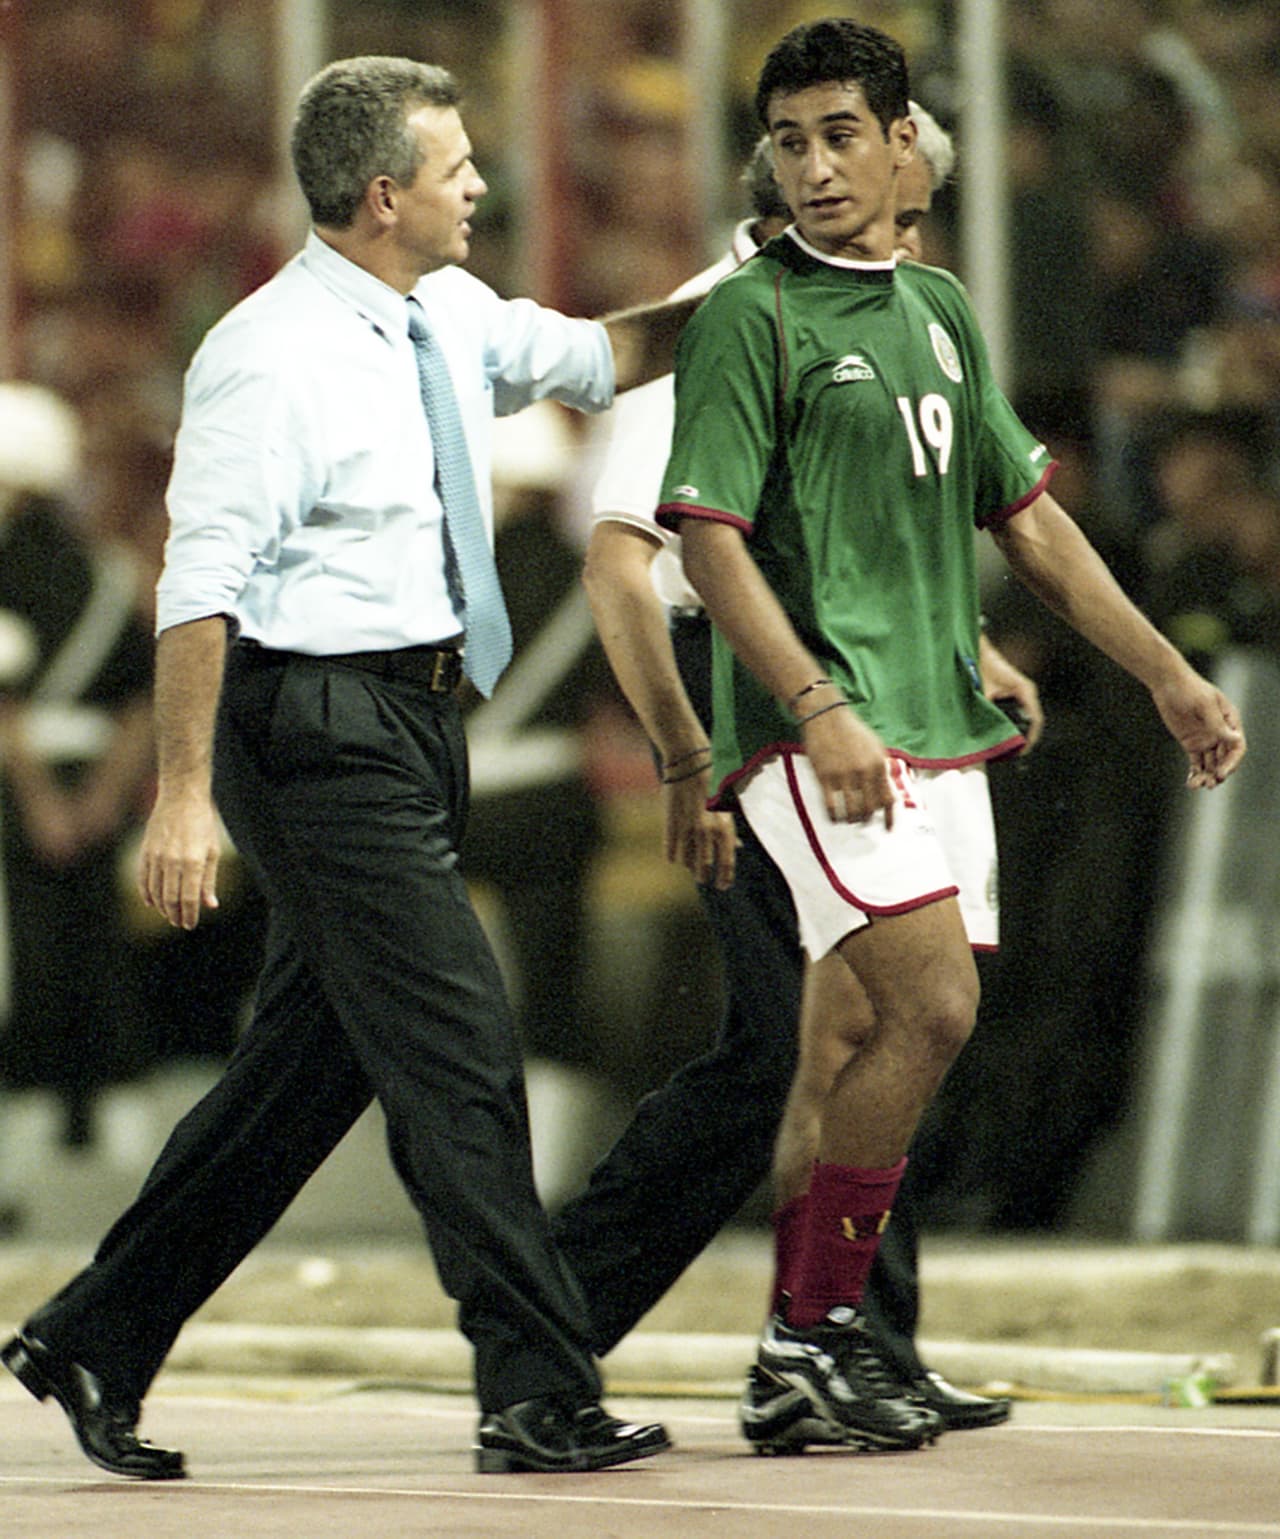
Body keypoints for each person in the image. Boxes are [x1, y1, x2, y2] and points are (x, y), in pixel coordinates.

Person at [1, 54, 699, 1481]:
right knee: (457, 1044)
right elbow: (198, 585)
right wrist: (185, 794)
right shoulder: (266, 353)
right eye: (457, 170)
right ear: (385, 196)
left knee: (306, 1074)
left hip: (417, 723)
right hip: (310, 731)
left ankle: (94, 1331)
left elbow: (600, 355)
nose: (482, 190)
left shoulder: (442, 309)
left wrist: (765, 292)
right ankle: (535, 1389)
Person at [655, 17, 1244, 1455]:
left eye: (841, 132)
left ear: (905, 141)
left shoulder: (939, 309)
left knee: (853, 1034)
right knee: (934, 1007)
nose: (813, 166)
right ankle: (813, 1336)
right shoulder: (754, 316)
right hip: (817, 730)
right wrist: (818, 705)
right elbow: (712, 549)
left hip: (937, 720)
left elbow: (1023, 521)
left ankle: (810, 1348)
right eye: (790, 140)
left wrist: (1164, 673)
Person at [559, 114, 1032, 1442]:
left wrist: (967, 646)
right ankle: (576, 1318)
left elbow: (882, 541)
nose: (913, 238)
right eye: (902, 207)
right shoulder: (723, 325)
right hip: (763, 708)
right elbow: (622, 563)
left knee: (878, 1028)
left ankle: (840, 1343)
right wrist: (686, 756)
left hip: (875, 699)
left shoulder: (877, 317)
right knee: (816, 1038)